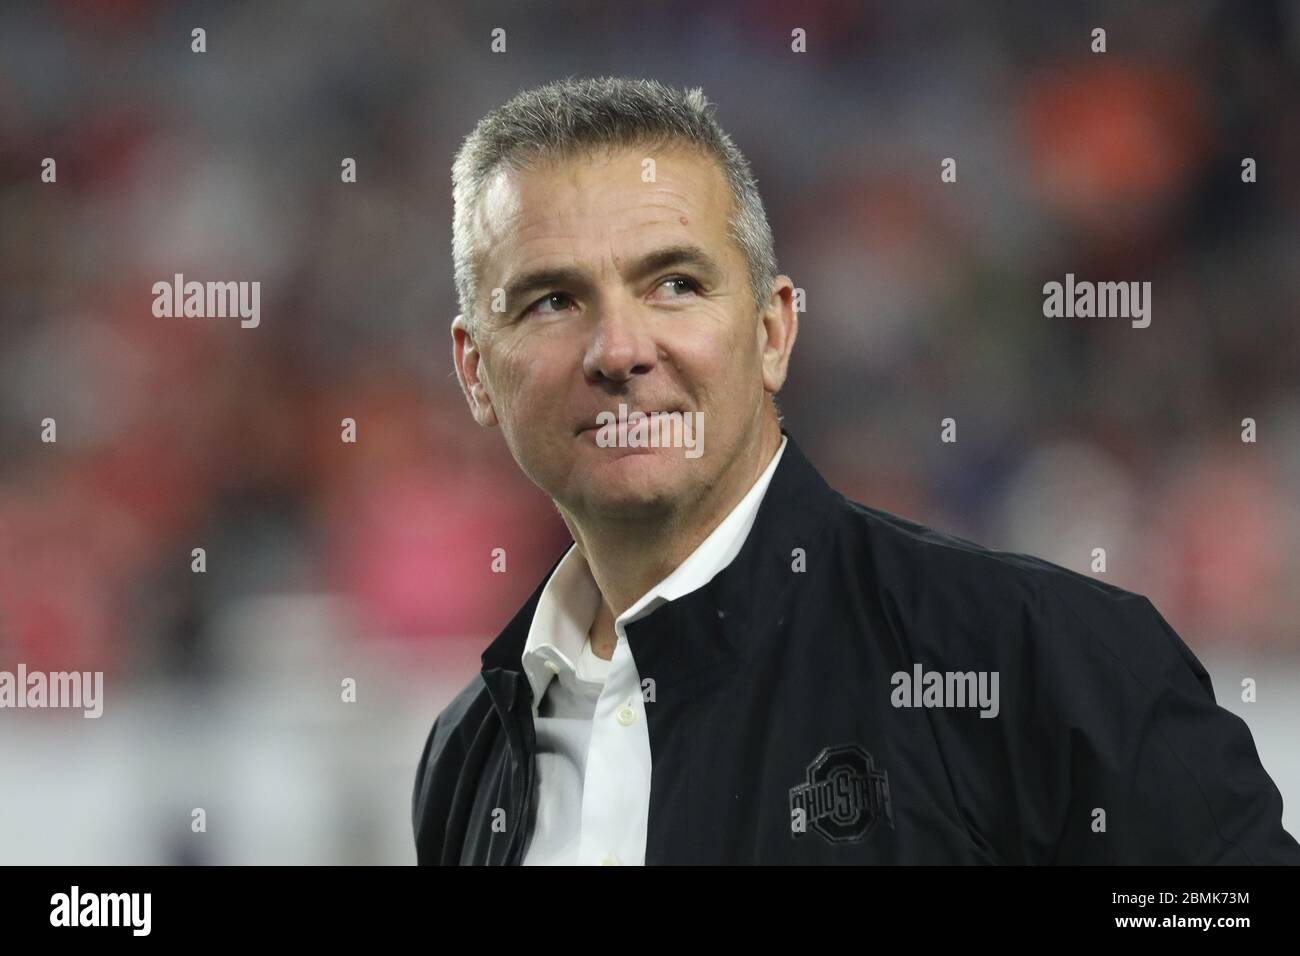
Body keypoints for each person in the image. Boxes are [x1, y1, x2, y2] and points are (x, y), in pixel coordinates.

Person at [412, 76, 1299, 865]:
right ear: (476, 371)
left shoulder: (1041, 661)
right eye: (553, 300)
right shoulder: (470, 754)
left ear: (772, 333)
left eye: (675, 284)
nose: (618, 349)